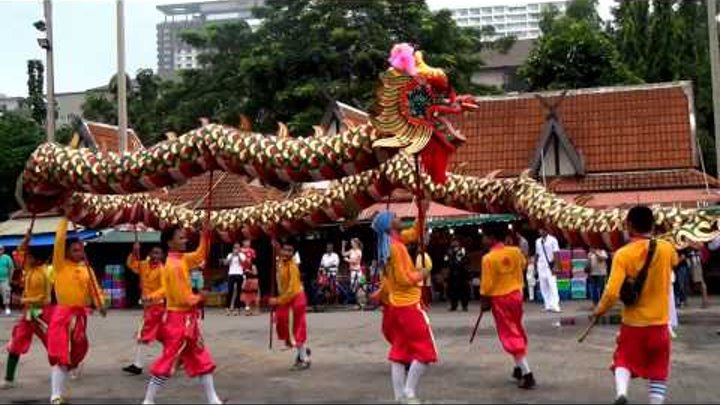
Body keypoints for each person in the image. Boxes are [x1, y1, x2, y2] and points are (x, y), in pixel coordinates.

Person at [592, 205, 678, 405]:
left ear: (629, 225)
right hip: (659, 323)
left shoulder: (622, 254)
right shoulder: (666, 248)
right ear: (653, 225)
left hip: (633, 324)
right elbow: (675, 260)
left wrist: (599, 311)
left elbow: (612, 292)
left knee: (623, 359)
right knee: (658, 368)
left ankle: (622, 393)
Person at [142, 226, 222, 405]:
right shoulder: (174, 265)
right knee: (169, 360)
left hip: (186, 320)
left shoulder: (181, 259)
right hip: (178, 320)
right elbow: (183, 298)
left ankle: (213, 399)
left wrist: (204, 236)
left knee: (201, 356)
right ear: (170, 242)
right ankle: (148, 400)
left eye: (185, 237)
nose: (185, 240)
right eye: (181, 238)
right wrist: (200, 296)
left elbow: (200, 255)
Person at [371, 201, 437, 403]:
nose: (398, 218)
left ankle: (399, 396)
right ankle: (408, 392)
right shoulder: (396, 248)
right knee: (426, 352)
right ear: (390, 226)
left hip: (396, 306)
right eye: (394, 217)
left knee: (400, 353)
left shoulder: (393, 244)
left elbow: (414, 233)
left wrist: (422, 211)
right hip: (408, 305)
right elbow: (403, 279)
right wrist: (422, 273)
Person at [48, 218, 106, 405]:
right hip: (61, 316)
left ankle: (70, 370)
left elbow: (95, 289)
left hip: (80, 317)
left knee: (78, 352)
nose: (79, 252)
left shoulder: (86, 270)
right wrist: (66, 218)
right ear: (65, 252)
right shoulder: (59, 265)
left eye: (81, 249)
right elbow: (59, 240)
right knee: (60, 355)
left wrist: (101, 303)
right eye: (74, 250)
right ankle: (55, 396)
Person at [480, 223, 535, 389]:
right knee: (516, 328)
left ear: (491, 238)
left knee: (509, 333)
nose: (482, 239)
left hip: (500, 298)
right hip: (517, 295)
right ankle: (519, 368)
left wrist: (484, 302)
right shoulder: (515, 251)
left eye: (484, 236)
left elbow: (486, 286)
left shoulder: (488, 258)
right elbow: (523, 265)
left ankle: (527, 373)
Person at [2, 230, 52, 389]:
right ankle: (9, 379)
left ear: (36, 259)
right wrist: (26, 239)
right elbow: (19, 251)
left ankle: (66, 368)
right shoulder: (30, 268)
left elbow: (45, 299)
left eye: (28, 256)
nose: (24, 259)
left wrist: (23, 300)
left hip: (42, 314)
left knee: (53, 344)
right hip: (28, 315)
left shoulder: (43, 274)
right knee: (16, 343)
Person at [122, 243, 165, 375]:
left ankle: (138, 365)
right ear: (150, 254)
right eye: (154, 253)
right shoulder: (143, 265)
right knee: (165, 336)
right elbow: (131, 264)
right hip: (149, 306)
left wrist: (151, 297)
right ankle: (178, 357)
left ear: (162, 256)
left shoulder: (163, 270)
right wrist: (134, 252)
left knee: (144, 335)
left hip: (156, 306)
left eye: (158, 253)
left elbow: (165, 288)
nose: (156, 256)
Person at [269, 241, 311, 370]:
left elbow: (292, 290)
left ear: (293, 253)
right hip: (286, 300)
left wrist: (277, 301)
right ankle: (300, 349)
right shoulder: (280, 261)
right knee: (281, 321)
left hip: (295, 299)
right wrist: (275, 246)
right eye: (285, 250)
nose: (287, 253)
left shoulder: (292, 266)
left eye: (290, 251)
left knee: (296, 329)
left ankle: (304, 359)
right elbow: (278, 254)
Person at [534, 229, 561, 313]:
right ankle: (548, 305)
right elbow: (537, 253)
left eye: (542, 230)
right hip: (541, 266)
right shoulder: (538, 241)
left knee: (552, 285)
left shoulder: (553, 240)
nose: (540, 232)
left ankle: (555, 305)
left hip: (550, 265)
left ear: (546, 231)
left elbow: (556, 253)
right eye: (539, 231)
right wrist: (535, 263)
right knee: (543, 286)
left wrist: (556, 266)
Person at [445, 237, 469, 311]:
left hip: (462, 273)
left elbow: (466, 260)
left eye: (455, 242)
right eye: (453, 242)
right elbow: (446, 260)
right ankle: (453, 305)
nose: (454, 243)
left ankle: (464, 305)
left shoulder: (462, 250)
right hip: (452, 273)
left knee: (463, 290)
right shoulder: (449, 251)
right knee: (452, 291)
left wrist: (460, 262)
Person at [223, 242, 246, 316]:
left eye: (238, 247)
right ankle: (228, 308)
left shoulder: (242, 255)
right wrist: (232, 256)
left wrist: (238, 254)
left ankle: (237, 308)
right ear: (233, 248)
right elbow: (226, 263)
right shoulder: (230, 254)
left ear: (240, 248)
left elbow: (242, 263)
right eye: (235, 247)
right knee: (230, 291)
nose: (236, 249)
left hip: (239, 274)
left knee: (239, 291)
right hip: (231, 274)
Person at [686, 243, 709, 308]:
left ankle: (705, 301)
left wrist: (689, 244)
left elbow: (701, 245)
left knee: (701, 282)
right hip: (690, 263)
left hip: (696, 263)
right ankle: (704, 301)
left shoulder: (696, 238)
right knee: (697, 283)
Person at [239, 239, 257, 314]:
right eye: (246, 242)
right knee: (243, 289)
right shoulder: (240, 251)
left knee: (251, 290)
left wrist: (252, 269)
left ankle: (251, 307)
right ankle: (242, 306)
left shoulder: (252, 251)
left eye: (249, 242)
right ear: (243, 242)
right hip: (241, 270)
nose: (248, 243)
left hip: (250, 271)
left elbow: (253, 260)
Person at [0, 244, 15, 316]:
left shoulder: (7, 258)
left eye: (0, 249)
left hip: (5, 279)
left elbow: (11, 268)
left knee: (6, 293)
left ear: (3, 250)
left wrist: (10, 278)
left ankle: (7, 308)